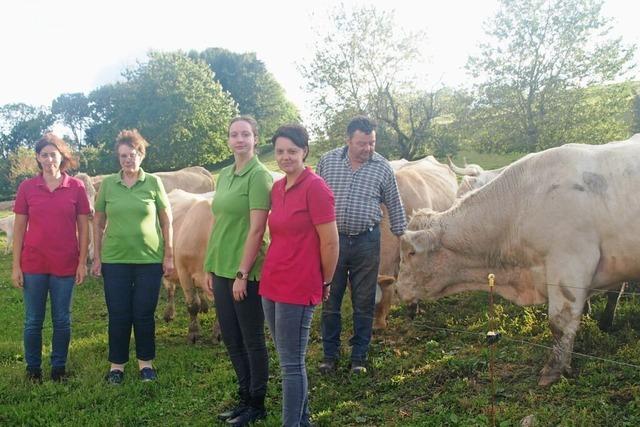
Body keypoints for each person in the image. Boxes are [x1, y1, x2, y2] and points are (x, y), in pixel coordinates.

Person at [260, 125, 339, 426]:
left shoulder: (315, 187)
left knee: (291, 365)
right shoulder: (277, 188)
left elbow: (330, 242)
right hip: (272, 283)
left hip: (299, 285)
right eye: (279, 151)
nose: (285, 157)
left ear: (305, 151)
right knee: (286, 358)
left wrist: (326, 280)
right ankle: (302, 421)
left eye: (291, 151)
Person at [316, 115, 407, 374]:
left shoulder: (382, 167)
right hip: (333, 241)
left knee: (364, 299)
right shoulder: (328, 162)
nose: (368, 149)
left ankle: (359, 357)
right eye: (362, 143)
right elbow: (315, 197)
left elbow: (395, 204)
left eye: (372, 143)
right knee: (330, 298)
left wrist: (404, 238)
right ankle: (329, 356)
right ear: (348, 140)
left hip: (367, 241)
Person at [91, 129, 174, 384]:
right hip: (115, 260)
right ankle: (117, 366)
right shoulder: (108, 185)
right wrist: (97, 257)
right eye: (123, 156)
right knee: (118, 313)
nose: (127, 160)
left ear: (141, 154)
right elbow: (98, 222)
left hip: (149, 260)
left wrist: (169, 254)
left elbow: (166, 220)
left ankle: (145, 364)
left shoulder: (153, 183)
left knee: (143, 313)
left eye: (132, 154)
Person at [205, 116, 272, 426]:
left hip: (245, 271)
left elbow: (258, 228)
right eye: (234, 134)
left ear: (255, 138)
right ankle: (244, 397)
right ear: (228, 140)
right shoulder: (225, 174)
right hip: (220, 266)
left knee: (251, 338)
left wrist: (242, 273)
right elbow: (219, 222)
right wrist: (209, 265)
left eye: (246, 134)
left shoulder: (259, 176)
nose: (240, 139)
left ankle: (257, 403)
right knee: (231, 338)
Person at [11, 133, 91, 382]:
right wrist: (16, 266)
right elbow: (19, 229)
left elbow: (84, 228)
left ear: (61, 157)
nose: (48, 159)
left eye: (53, 155)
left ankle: (59, 368)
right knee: (33, 320)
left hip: (65, 265)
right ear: (37, 158)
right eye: (43, 155)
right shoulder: (27, 188)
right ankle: (33, 369)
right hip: (33, 264)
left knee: (62, 320)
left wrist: (81, 263)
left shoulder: (76, 187)